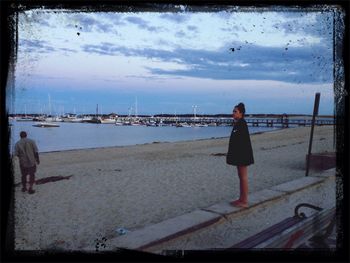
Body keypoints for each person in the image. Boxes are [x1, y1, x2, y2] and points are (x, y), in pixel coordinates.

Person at [226, 103, 254, 208]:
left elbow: (242, 142)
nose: (233, 113)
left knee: (243, 177)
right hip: (241, 155)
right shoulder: (238, 123)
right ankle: (241, 198)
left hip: (243, 155)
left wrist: (238, 156)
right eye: (233, 111)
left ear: (241, 113)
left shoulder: (242, 123)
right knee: (241, 177)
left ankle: (244, 201)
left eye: (235, 111)